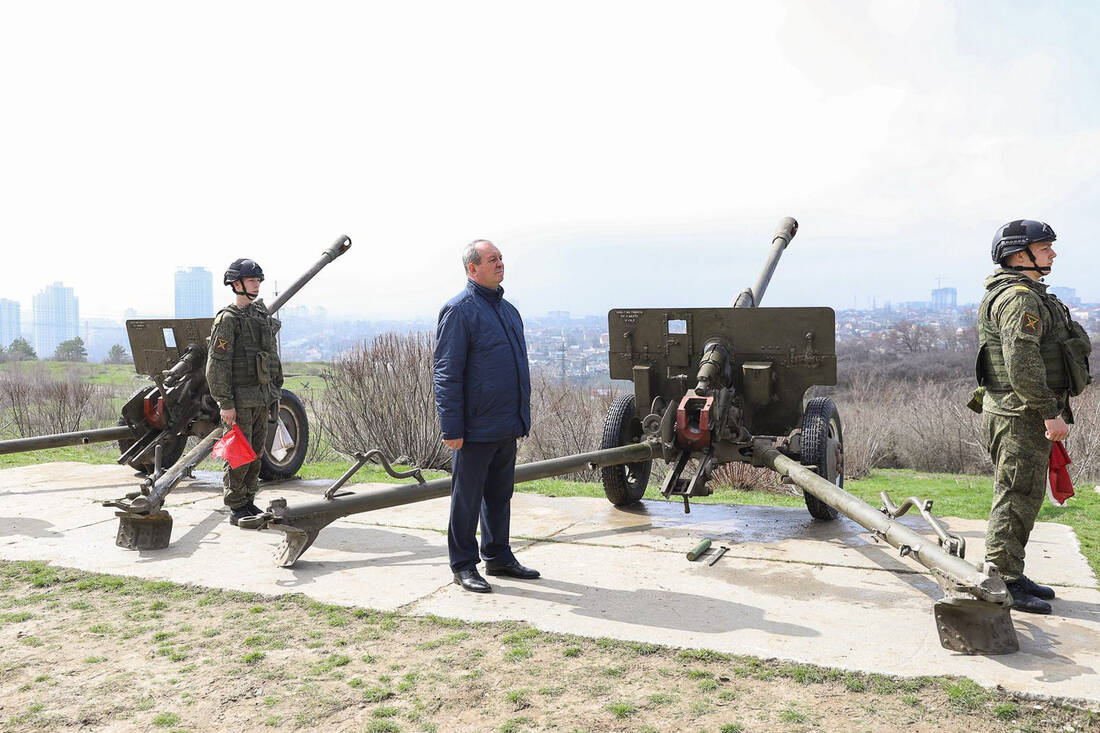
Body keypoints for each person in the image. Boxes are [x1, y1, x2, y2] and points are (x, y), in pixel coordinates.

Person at [976, 220, 1091, 614]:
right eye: (1044, 249)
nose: (1053, 254)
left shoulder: (1027, 294)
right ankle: (1002, 580)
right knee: (1015, 496)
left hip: (1021, 412)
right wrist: (1050, 413)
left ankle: (1011, 569)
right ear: (1017, 255)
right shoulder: (1019, 299)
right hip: (1021, 414)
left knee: (1024, 496)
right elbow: (1022, 364)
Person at [433, 239, 537, 593]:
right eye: (492, 259)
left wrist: (521, 419)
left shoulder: (508, 311)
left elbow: (518, 368)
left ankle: (498, 556)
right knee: (466, 497)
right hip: (474, 427)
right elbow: (447, 372)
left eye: (501, 258)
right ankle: (463, 564)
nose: (500, 263)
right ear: (472, 269)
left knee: (499, 494)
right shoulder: (459, 310)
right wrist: (452, 427)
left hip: (505, 424)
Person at [206, 258, 284, 526]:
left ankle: (249, 499)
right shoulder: (228, 320)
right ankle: (236, 505)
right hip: (238, 402)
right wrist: (225, 403)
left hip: (261, 398)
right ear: (236, 284)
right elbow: (217, 365)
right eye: (252, 281)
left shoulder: (259, 316)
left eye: (259, 281)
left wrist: (275, 392)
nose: (257, 285)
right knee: (239, 453)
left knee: (256, 453)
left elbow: (271, 358)